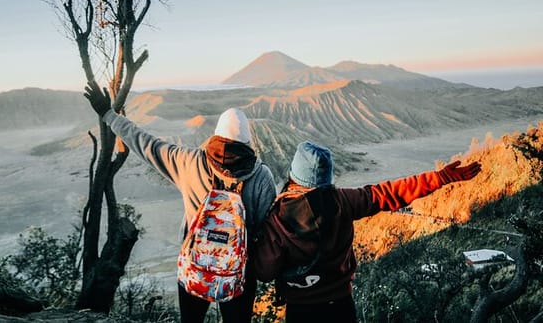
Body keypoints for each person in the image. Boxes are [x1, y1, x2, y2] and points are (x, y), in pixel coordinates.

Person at [83, 81, 280, 323]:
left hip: (195, 266)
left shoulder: (189, 162)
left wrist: (108, 114)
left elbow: (145, 143)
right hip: (238, 273)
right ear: (248, 142)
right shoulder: (262, 176)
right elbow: (266, 231)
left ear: (216, 135)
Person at [254, 140, 482, 323]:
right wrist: (440, 177)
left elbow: (265, 271)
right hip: (341, 305)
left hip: (301, 310)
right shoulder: (344, 200)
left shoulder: (277, 218)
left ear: (293, 175)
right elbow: (389, 193)